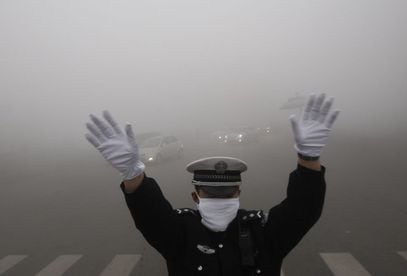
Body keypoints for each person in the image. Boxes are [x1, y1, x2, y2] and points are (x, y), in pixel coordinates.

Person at [84, 93, 340, 276]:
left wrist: (309, 158)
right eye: (211, 192)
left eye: (226, 192)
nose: (220, 198)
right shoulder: (180, 235)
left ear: (238, 193)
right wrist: (131, 173)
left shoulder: (262, 232)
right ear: (196, 197)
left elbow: (304, 208)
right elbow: (149, 213)